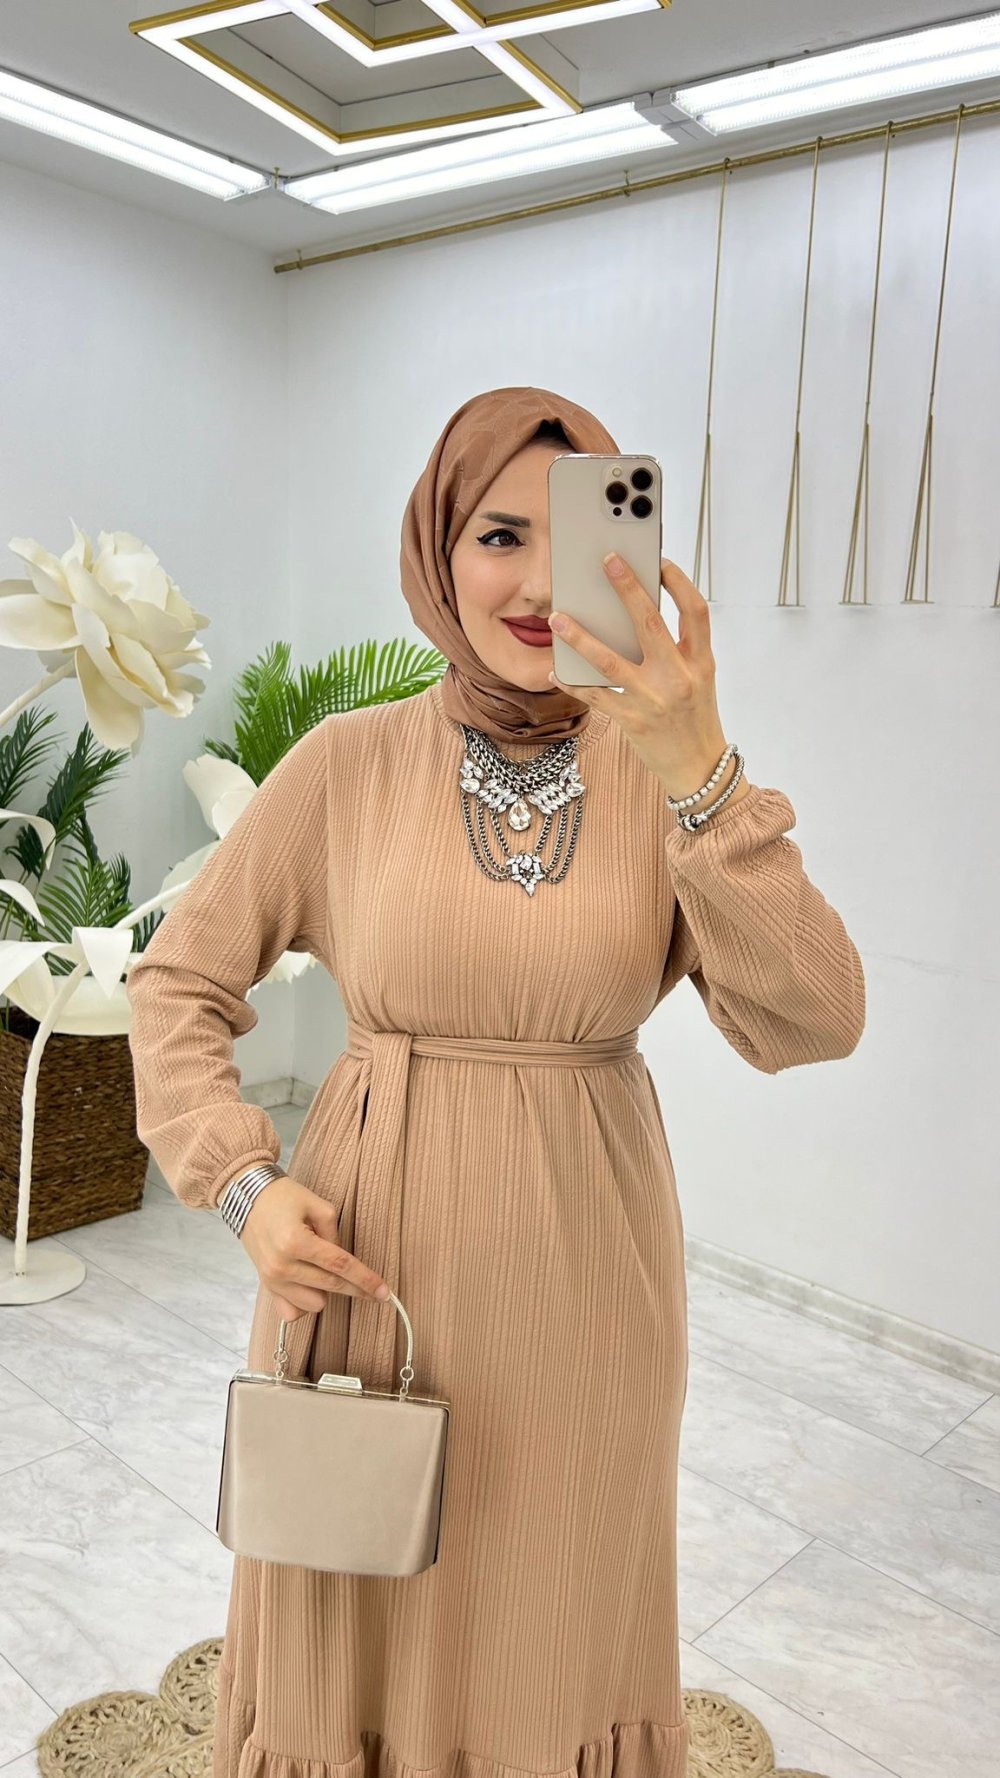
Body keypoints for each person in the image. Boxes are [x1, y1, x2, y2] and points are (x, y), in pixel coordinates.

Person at [125, 384, 866, 1778]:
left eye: (569, 539)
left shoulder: (667, 782)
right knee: (357, 1576)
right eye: (497, 535)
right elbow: (177, 981)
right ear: (438, 550)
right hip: (373, 1268)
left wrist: (701, 769)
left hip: (592, 1282)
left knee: (559, 1602)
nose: (532, 585)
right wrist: (242, 1187)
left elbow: (814, 1019)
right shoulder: (347, 765)